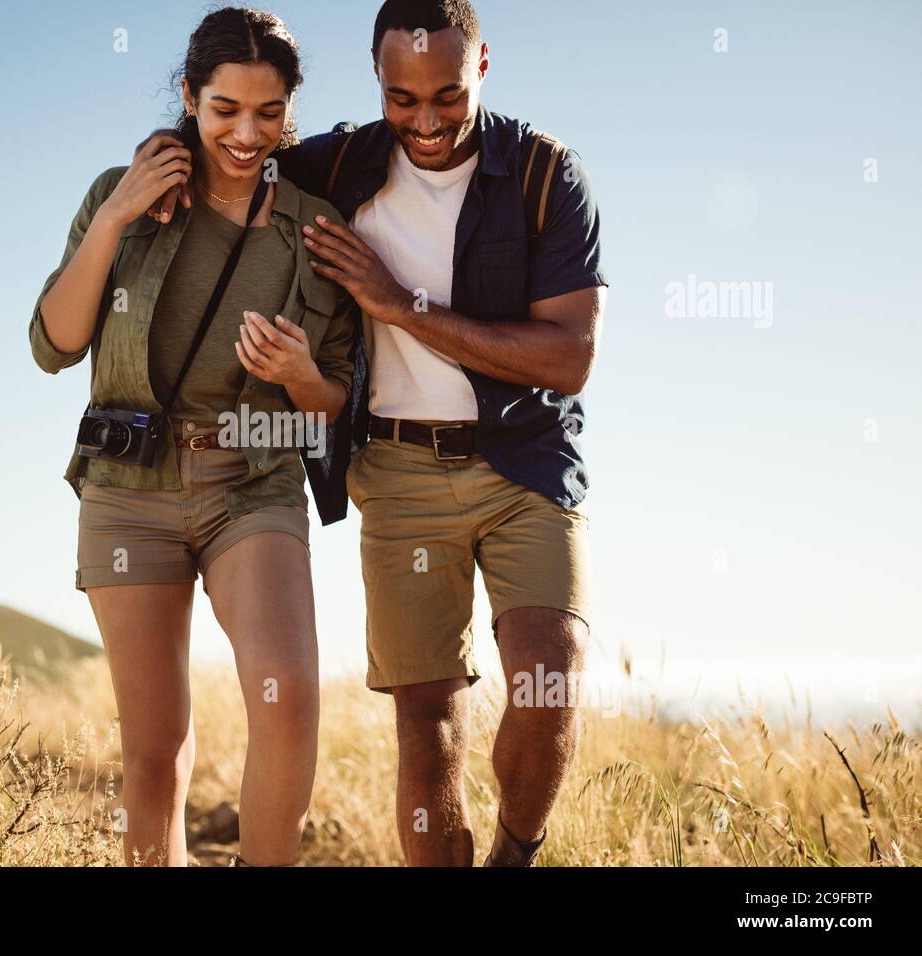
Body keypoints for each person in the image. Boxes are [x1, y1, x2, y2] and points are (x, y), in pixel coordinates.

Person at [151, 0, 608, 867]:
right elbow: (240, 142)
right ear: (377, 79)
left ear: (482, 67)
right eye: (405, 99)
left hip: (528, 466)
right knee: (428, 727)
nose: (426, 122)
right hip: (395, 474)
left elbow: (569, 357)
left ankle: (516, 852)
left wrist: (401, 306)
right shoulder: (345, 161)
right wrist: (162, 162)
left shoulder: (548, 173)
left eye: (446, 96)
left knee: (550, 683)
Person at [27, 6, 355, 867]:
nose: (247, 135)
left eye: (270, 113)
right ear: (188, 96)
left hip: (253, 481)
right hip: (128, 489)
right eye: (224, 111)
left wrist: (299, 377)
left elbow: (335, 403)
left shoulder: (317, 232)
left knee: (287, 703)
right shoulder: (119, 196)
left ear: (291, 108)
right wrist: (113, 219)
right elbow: (53, 345)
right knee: (155, 750)